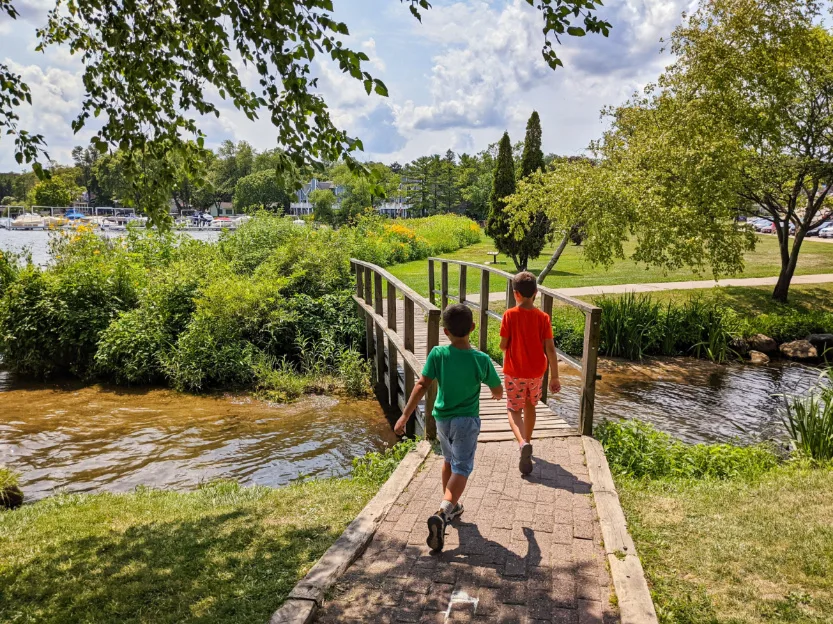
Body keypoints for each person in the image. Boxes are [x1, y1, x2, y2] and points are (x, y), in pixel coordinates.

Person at [395, 303, 503, 552]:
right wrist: (496, 393)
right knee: (462, 467)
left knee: (448, 461)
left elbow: (421, 384)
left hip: (441, 419)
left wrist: (404, 417)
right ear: (473, 329)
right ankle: (443, 512)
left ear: (445, 332)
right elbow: (497, 389)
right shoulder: (481, 360)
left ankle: (452, 506)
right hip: (466, 420)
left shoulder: (437, 354)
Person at [499, 271, 561, 475]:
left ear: (515, 293)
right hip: (536, 372)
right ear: (536, 293)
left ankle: (521, 442)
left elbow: (503, 344)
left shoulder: (509, 315)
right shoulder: (543, 317)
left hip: (515, 372)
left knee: (513, 409)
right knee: (530, 405)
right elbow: (550, 349)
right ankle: (528, 440)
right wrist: (555, 376)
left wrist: (504, 345)